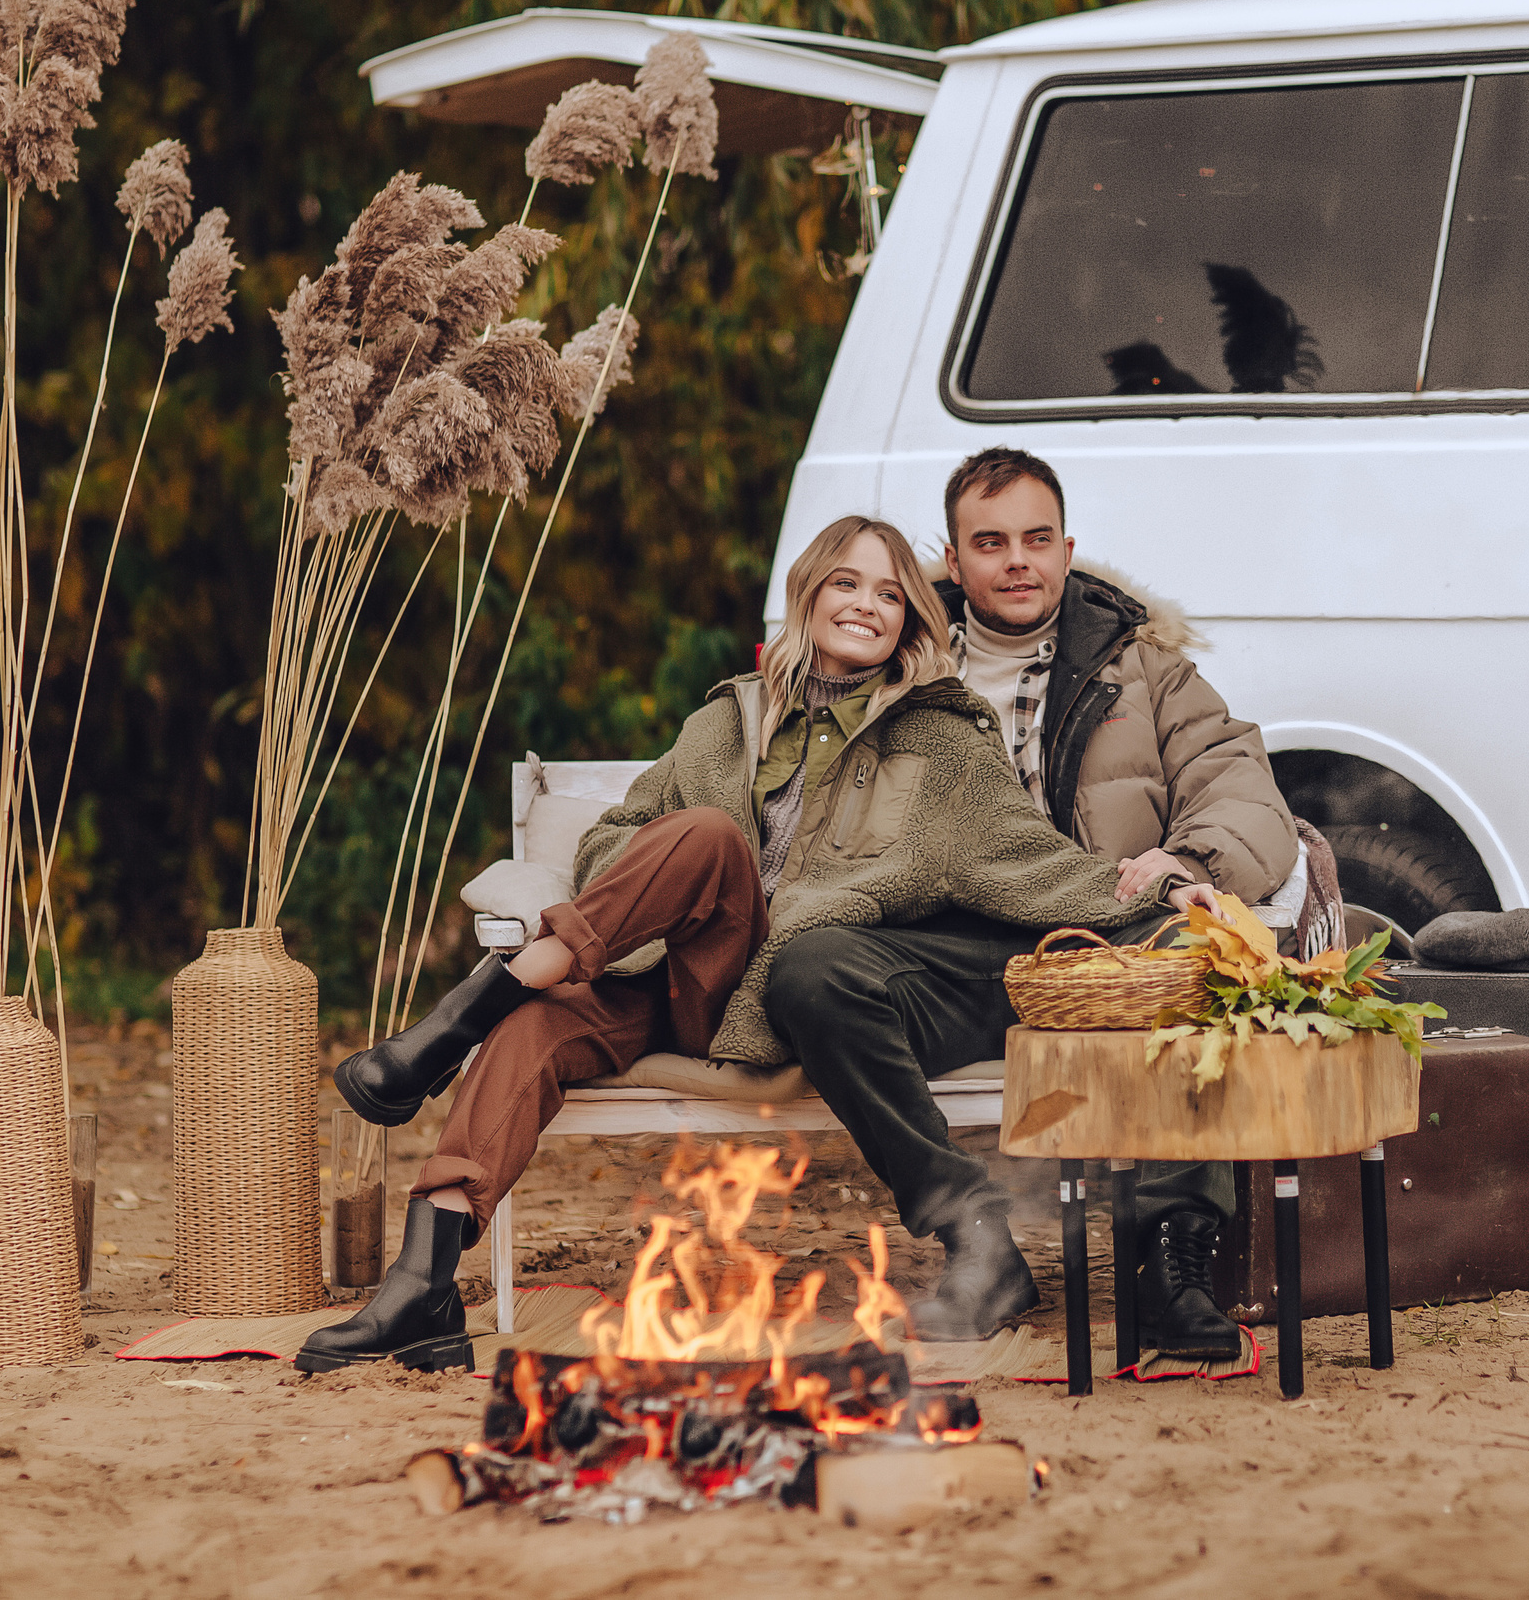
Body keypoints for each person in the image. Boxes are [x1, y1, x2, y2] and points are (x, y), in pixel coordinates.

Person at [299, 513, 1220, 1374]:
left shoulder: (941, 743)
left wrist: (1164, 887)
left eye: (890, 593)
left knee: (709, 840)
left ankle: (458, 1016)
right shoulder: (724, 721)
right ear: (809, 596)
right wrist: (650, 890)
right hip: (662, 979)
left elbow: (1027, 864)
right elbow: (611, 839)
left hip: (782, 994)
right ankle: (423, 1284)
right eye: (845, 585)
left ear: (908, 620)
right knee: (536, 1027)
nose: (865, 604)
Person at [766, 448, 1298, 1356]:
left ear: (1067, 547)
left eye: (1037, 539)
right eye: (991, 541)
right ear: (953, 555)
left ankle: (1171, 1262)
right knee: (812, 971)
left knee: (1197, 951)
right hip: (948, 952)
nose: (1018, 559)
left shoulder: (1144, 668)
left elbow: (1241, 783)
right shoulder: (897, 661)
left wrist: (1190, 855)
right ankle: (977, 1240)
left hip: (1105, 937)